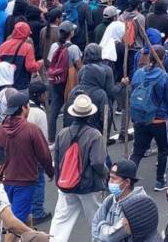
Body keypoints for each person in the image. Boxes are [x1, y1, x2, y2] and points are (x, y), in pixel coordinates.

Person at [49, 95, 109, 242]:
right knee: (96, 221)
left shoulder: (62, 134)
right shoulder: (95, 135)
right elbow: (98, 162)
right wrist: (106, 175)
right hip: (88, 186)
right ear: (90, 114)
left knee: (61, 221)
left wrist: (59, 181)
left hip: (66, 184)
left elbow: (57, 160)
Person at [0, 90, 54, 223]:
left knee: (23, 215)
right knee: (16, 222)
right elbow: (44, 154)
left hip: (6, 180)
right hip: (25, 180)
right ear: (23, 108)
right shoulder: (31, 129)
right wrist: (50, 171)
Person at [128, 44, 168, 191]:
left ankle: (126, 178)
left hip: (140, 119)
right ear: (163, 58)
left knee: (137, 152)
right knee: (163, 150)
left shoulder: (138, 74)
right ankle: (160, 181)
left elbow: (133, 93)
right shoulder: (165, 77)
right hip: (159, 120)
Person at [92, 159, 159, 242]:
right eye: (109, 177)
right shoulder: (109, 200)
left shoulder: (138, 207)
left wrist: (101, 226)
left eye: (113, 178)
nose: (109, 182)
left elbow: (111, 237)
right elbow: (94, 224)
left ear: (127, 182)